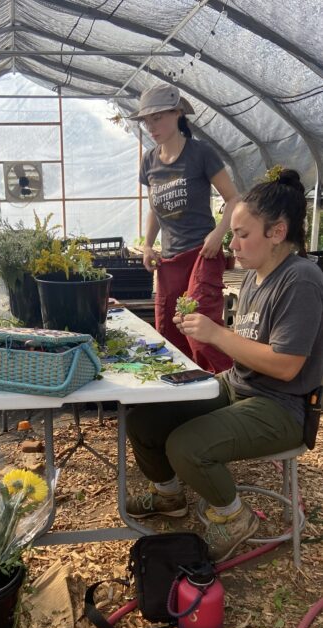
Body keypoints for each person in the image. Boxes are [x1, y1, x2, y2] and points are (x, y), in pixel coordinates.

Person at [126, 169, 323, 562]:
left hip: (283, 405)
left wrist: (215, 334)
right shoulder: (254, 275)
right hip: (240, 386)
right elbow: (245, 348)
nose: (233, 243)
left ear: (278, 232)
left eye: (243, 234)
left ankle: (235, 518)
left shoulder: (301, 280)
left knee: (186, 446)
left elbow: (285, 367)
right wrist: (206, 334)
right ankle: (170, 496)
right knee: (144, 418)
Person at [129, 83, 239, 372]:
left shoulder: (201, 153)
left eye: (158, 117)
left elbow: (233, 198)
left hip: (202, 253)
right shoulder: (149, 161)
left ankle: (224, 386)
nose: (151, 126)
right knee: (168, 328)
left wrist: (219, 234)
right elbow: (154, 206)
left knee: (198, 325)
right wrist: (149, 245)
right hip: (169, 259)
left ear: (178, 114)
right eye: (147, 120)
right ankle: (181, 391)